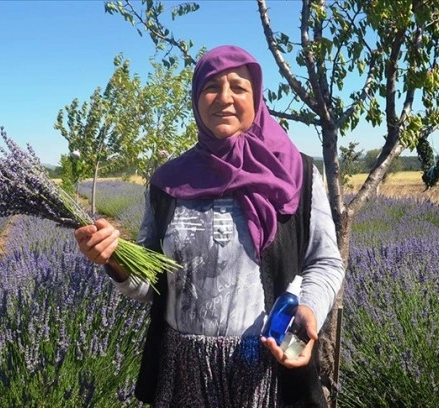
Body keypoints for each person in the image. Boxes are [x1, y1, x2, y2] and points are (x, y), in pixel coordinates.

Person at [75, 45, 344, 407]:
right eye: (211, 87)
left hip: (266, 366)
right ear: (196, 97)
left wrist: (309, 307)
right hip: (184, 370)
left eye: (238, 87)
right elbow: (148, 284)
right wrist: (113, 256)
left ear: (257, 97)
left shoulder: (297, 173)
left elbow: (325, 261)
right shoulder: (168, 183)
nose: (224, 98)